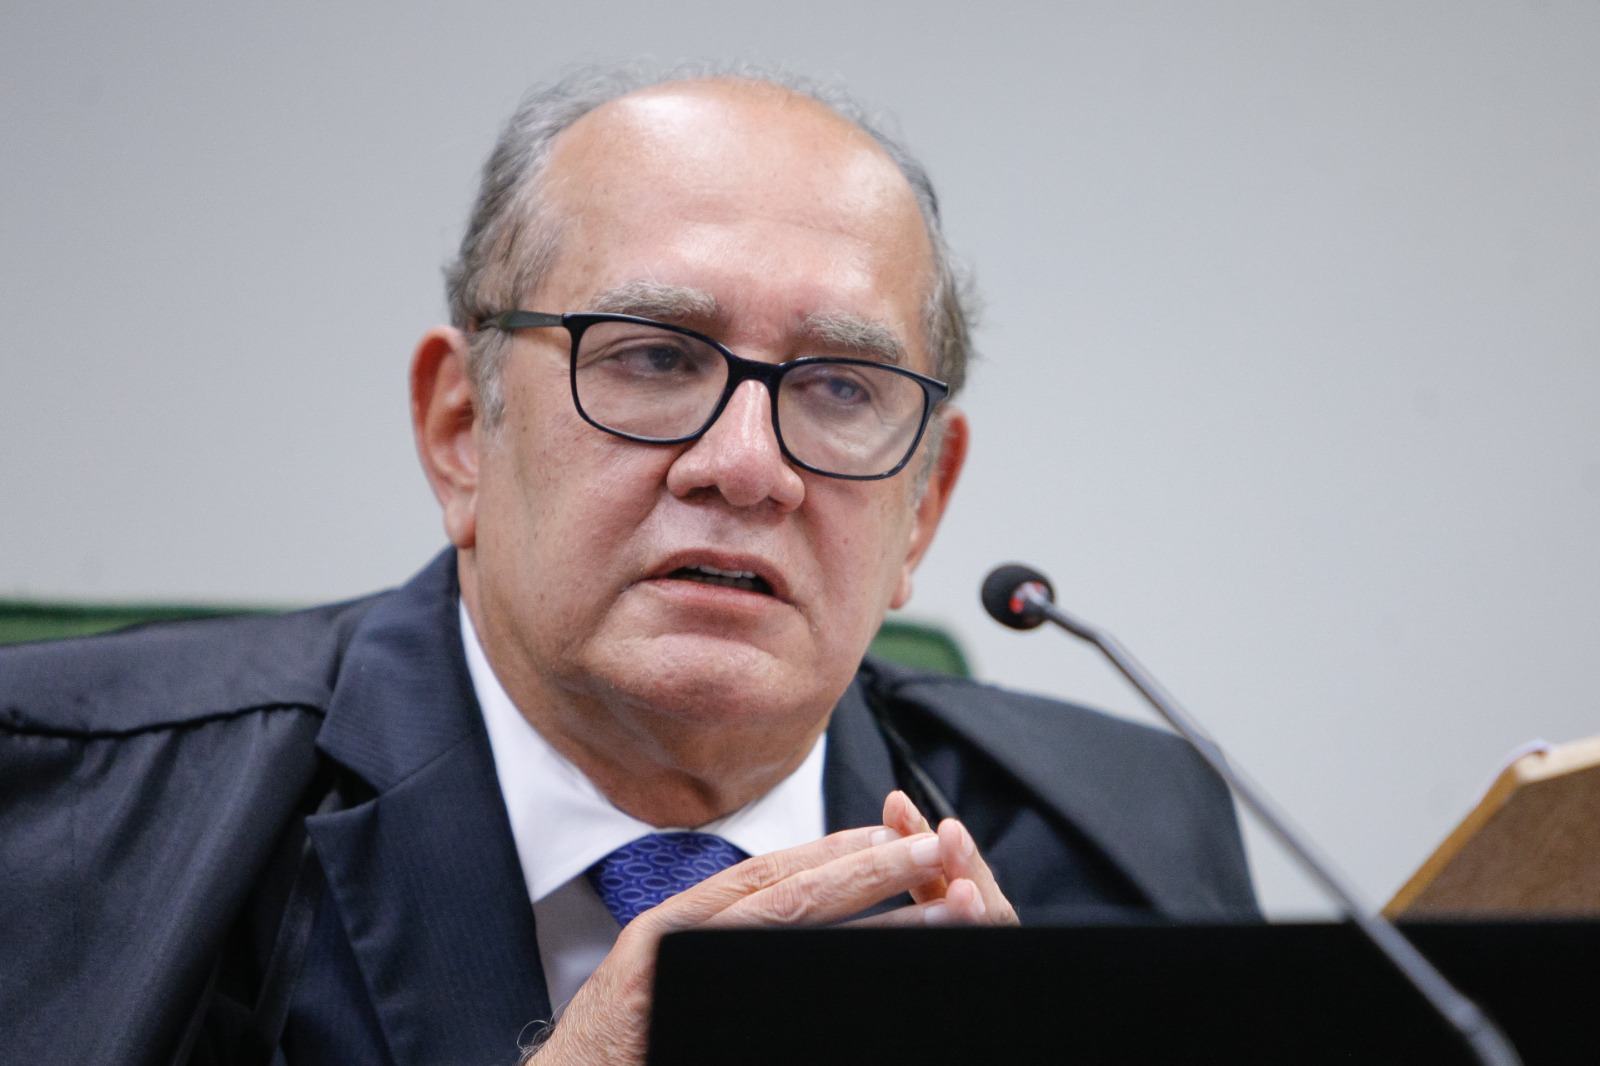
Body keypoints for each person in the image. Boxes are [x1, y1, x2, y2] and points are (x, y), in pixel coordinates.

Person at [0, 66, 1256, 1066]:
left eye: (839, 387)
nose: (746, 466)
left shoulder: (1130, 835)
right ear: (460, 430)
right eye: (653, 356)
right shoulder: (67, 809)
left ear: (920, 506)